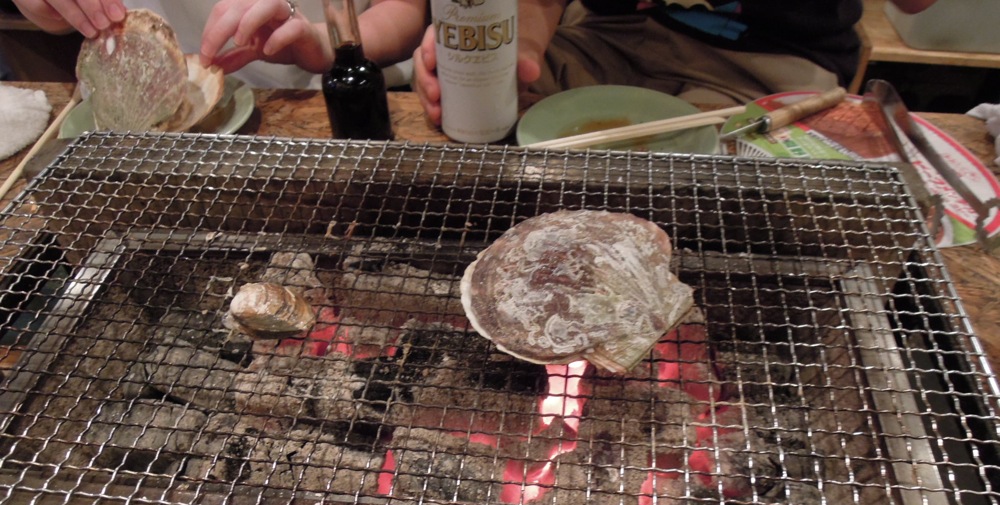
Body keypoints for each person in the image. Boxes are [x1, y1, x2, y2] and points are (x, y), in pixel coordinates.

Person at [414, 0, 940, 126]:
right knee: (497, 115)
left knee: (703, 186)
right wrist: (515, 52)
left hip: (771, 64)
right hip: (615, 35)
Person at [11, 0, 424, 88]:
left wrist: (328, 41)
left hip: (317, 103)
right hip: (128, 133)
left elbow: (405, 8)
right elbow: (54, 20)